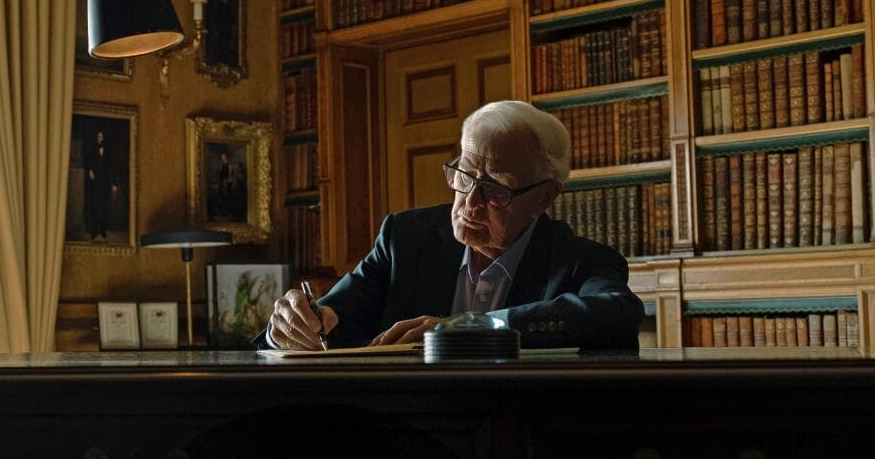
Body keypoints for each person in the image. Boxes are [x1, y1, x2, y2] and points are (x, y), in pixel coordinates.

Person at [262, 99, 644, 352]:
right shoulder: (405, 239)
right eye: (464, 175)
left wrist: (474, 327)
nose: (469, 203)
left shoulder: (580, 262)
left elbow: (618, 313)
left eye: (495, 188)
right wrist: (292, 327)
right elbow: (333, 322)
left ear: (544, 198)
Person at [83, 129, 116, 240]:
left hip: (105, 183)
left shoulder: (108, 151)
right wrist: (90, 170)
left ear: (104, 138)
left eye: (101, 137)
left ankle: (102, 231)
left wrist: (114, 183)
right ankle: (94, 231)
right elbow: (87, 162)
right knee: (94, 207)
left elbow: (112, 167)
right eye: (98, 137)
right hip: (95, 183)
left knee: (104, 207)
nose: (100, 139)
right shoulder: (92, 150)